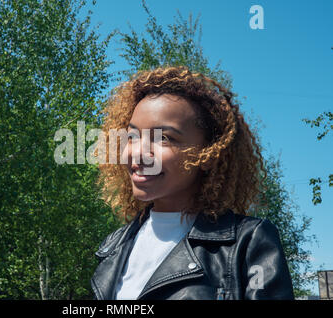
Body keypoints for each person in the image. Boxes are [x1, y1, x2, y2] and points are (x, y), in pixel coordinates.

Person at [90, 66, 294, 300]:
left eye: (164, 138)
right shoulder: (114, 245)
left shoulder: (248, 243)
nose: (138, 153)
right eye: (132, 136)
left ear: (209, 156)